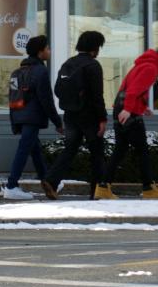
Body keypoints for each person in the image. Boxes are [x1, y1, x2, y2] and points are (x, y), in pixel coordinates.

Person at [95, 47, 158, 200]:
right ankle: (148, 188)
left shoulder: (143, 65)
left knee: (120, 150)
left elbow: (128, 89)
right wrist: (128, 110)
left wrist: (142, 107)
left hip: (123, 109)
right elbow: (132, 91)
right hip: (129, 113)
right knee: (143, 152)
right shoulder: (150, 69)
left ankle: (103, 187)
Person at [41, 31, 108, 200]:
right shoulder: (93, 66)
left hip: (70, 114)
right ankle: (97, 191)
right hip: (89, 116)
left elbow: (57, 90)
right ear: (95, 47)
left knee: (69, 150)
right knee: (97, 153)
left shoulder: (68, 64)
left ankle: (51, 180)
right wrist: (102, 119)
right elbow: (97, 96)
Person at [2, 35, 63, 200]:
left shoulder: (17, 72)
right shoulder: (40, 71)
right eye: (48, 48)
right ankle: (11, 186)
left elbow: (12, 97)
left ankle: (48, 180)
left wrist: (14, 119)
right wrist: (57, 122)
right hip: (32, 117)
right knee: (24, 148)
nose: (49, 51)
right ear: (40, 51)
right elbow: (46, 99)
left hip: (19, 115)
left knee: (34, 149)